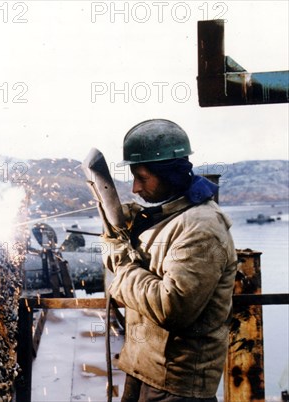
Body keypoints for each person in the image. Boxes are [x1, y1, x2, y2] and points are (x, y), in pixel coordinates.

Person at [102, 119, 238, 402]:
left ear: (170, 175)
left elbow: (171, 307)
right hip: (145, 367)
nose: (135, 189)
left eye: (143, 178)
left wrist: (123, 265)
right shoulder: (173, 216)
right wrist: (127, 229)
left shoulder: (202, 227)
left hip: (176, 383)